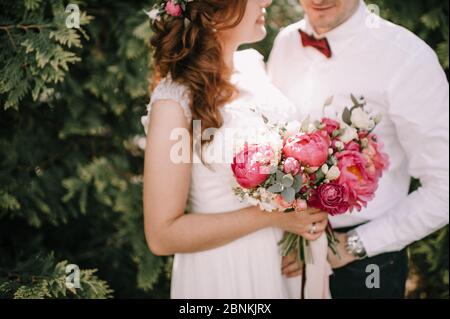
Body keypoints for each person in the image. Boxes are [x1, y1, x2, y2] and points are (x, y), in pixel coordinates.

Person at [142, 0, 330, 299]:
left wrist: (295, 237)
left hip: (280, 266)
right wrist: (273, 218)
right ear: (217, 11)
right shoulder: (175, 101)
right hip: (225, 272)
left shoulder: (252, 66)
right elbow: (162, 235)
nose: (266, 1)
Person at [268, 0, 449, 298]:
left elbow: (444, 185)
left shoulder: (407, 57)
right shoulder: (286, 42)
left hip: (363, 262)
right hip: (285, 255)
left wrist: (354, 244)